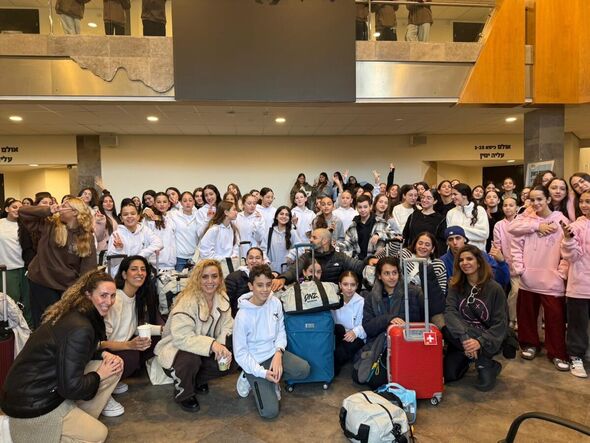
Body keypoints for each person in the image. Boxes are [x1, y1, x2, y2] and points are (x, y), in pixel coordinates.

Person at [0, 270, 124, 441]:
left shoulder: (76, 313)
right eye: (103, 295)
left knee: (113, 367)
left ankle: (76, 420)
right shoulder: (81, 327)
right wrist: (100, 375)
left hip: (31, 390)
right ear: (88, 294)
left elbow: (71, 352)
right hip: (33, 403)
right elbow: (71, 388)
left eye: (112, 296)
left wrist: (103, 354)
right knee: (98, 435)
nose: (109, 302)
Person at [154, 259, 234, 412]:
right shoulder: (187, 301)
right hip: (177, 350)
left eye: (214, 276)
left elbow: (228, 326)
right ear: (197, 278)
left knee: (232, 354)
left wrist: (221, 346)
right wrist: (213, 345)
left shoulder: (222, 297)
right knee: (190, 359)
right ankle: (184, 392)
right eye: (205, 277)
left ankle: (197, 380)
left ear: (220, 278)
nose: (210, 281)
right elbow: (181, 338)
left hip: (205, 348)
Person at [233, 265, 310, 419]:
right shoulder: (242, 316)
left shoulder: (275, 302)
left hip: (273, 354)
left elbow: (281, 331)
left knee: (304, 370)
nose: (265, 289)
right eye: (260, 285)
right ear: (251, 286)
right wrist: (262, 372)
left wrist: (278, 353)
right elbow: (240, 354)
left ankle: (272, 380)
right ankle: (248, 376)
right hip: (255, 362)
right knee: (270, 412)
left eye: (268, 284)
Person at [509, 185, 570, 371]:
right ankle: (529, 344)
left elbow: (567, 248)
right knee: (526, 315)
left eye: (540, 199)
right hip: (528, 278)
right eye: (532, 199)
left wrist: (561, 272)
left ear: (548, 200)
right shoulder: (525, 220)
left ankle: (557, 352)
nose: (535, 203)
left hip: (552, 279)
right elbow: (515, 245)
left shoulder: (560, 220)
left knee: (555, 318)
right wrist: (521, 269)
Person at [19, 197, 97, 328]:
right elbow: (23, 212)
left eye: (64, 206)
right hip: (41, 282)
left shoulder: (86, 236)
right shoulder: (51, 224)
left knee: (63, 325)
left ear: (75, 212)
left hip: (67, 287)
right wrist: (48, 210)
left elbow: (88, 270)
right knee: (44, 325)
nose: (60, 207)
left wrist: (80, 292)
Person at [443, 245, 508, 391]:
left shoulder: (494, 288)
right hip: (463, 337)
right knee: (448, 374)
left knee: (484, 386)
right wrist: (465, 338)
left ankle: (487, 363)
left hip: (486, 338)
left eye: (469, 259)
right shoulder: (455, 285)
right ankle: (469, 355)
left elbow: (501, 323)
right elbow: (450, 312)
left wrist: (479, 342)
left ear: (479, 262)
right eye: (461, 260)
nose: (465, 263)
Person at [100, 256, 160, 408]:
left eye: (143, 269)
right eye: (134, 269)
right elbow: (100, 343)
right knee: (132, 357)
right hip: (105, 351)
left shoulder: (136, 297)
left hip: (124, 345)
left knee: (156, 341)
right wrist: (130, 345)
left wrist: (163, 330)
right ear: (124, 274)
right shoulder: (115, 299)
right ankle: (103, 390)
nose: (139, 273)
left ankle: (115, 380)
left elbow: (135, 328)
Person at [357, 257, 427, 387]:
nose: (391, 277)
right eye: (386, 273)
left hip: (407, 343)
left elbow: (420, 320)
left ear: (399, 273)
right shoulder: (371, 297)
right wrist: (387, 319)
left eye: (394, 273)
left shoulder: (413, 292)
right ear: (379, 276)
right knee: (365, 378)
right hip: (381, 343)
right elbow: (368, 327)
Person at [272, 228, 366, 291]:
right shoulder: (306, 256)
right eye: (311, 237)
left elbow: (360, 266)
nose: (310, 240)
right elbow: (293, 271)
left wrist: (369, 260)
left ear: (325, 241)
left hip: (332, 299)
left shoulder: (340, 257)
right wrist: (282, 279)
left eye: (314, 238)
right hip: (311, 298)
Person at [560, 190, 590, 378]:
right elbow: (571, 256)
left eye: (589, 201)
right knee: (577, 325)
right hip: (579, 284)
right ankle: (575, 357)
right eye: (583, 201)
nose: (585, 205)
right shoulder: (575, 226)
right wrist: (568, 239)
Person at [440, 226, 509, 288]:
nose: (455, 242)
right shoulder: (443, 261)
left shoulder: (479, 254)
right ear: (447, 242)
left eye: (458, 238)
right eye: (450, 239)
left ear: (464, 239)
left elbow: (501, 280)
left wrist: (501, 262)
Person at [106, 201, 162, 276]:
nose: (129, 216)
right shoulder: (116, 235)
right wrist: (119, 250)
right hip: (120, 275)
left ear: (138, 217)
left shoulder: (145, 230)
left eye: (133, 213)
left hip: (139, 273)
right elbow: (112, 263)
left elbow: (159, 243)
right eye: (125, 214)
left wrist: (141, 255)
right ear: (121, 218)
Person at [0, 199, 32, 325]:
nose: (18, 210)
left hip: (25, 268)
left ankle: (29, 328)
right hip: (7, 268)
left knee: (27, 301)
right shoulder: (1, 223)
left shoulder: (26, 225)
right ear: (7, 209)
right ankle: (14, 329)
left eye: (21, 207)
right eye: (14, 207)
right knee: (11, 302)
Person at [338, 194, 392, 260]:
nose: (362, 210)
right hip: (358, 260)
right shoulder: (353, 225)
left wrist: (379, 235)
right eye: (360, 207)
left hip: (376, 259)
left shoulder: (381, 222)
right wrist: (337, 246)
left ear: (370, 207)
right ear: (357, 208)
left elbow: (394, 236)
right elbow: (348, 244)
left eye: (365, 207)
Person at [332, 271, 366, 375]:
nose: (349, 288)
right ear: (340, 285)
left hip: (355, 336)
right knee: (338, 329)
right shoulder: (334, 300)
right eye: (345, 284)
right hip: (339, 333)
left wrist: (355, 332)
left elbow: (365, 325)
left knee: (339, 353)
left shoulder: (361, 302)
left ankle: (332, 371)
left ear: (357, 285)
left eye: (353, 285)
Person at [446, 183, 489, 252]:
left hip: (476, 253)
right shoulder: (451, 213)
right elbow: (450, 235)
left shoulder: (480, 210)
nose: (452, 197)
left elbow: (484, 234)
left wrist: (459, 230)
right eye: (452, 194)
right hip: (455, 254)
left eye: (455, 194)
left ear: (464, 195)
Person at [403, 188, 446, 255]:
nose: (424, 200)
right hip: (411, 254)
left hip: (430, 255)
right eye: (423, 197)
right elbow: (406, 235)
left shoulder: (440, 219)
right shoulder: (413, 215)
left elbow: (441, 243)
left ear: (435, 201)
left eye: (428, 198)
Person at [225, 247, 265, 316]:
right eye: (251, 258)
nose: (254, 261)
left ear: (262, 261)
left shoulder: (266, 276)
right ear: (246, 261)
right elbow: (227, 304)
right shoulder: (233, 278)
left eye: (257, 258)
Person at [263, 206, 302, 274]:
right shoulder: (269, 232)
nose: (284, 216)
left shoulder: (292, 232)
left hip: (287, 271)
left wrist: (291, 256)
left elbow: (300, 247)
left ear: (289, 218)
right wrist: (266, 262)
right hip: (271, 270)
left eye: (287, 215)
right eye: (281, 214)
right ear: (276, 217)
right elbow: (263, 249)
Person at [169, 191, 199, 272]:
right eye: (185, 201)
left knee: (194, 279)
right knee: (178, 279)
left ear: (194, 202)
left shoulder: (198, 215)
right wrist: (146, 209)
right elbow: (160, 213)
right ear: (181, 203)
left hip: (194, 257)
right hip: (179, 258)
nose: (188, 203)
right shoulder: (173, 214)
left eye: (190, 200)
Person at [235, 193, 267, 257]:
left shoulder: (259, 218)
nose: (252, 206)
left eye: (254, 203)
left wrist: (257, 223)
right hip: (239, 251)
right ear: (243, 204)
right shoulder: (237, 216)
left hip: (254, 252)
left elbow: (260, 238)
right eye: (249, 203)